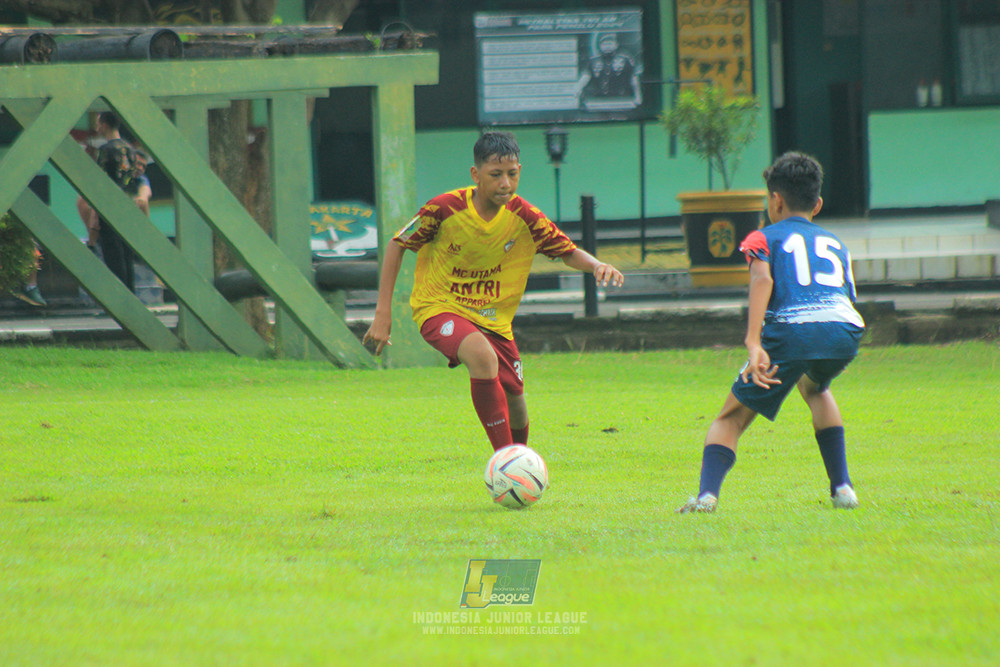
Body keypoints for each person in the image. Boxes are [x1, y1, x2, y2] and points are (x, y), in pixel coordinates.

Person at [363, 131, 625, 452]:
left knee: (516, 400)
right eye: (496, 175)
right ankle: (505, 461)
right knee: (482, 356)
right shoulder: (443, 208)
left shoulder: (525, 217)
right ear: (476, 175)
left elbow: (566, 251)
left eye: (512, 174)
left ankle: (519, 463)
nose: (505, 184)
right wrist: (383, 313)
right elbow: (397, 244)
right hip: (439, 307)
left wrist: (596, 265)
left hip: (493, 319)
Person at [677, 151, 865, 513]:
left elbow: (762, 279)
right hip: (845, 330)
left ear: (775, 200)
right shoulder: (835, 243)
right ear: (817, 204)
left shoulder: (763, 238)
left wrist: (753, 342)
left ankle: (705, 497)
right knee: (816, 387)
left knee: (730, 417)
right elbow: (845, 294)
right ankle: (843, 489)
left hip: (795, 330)